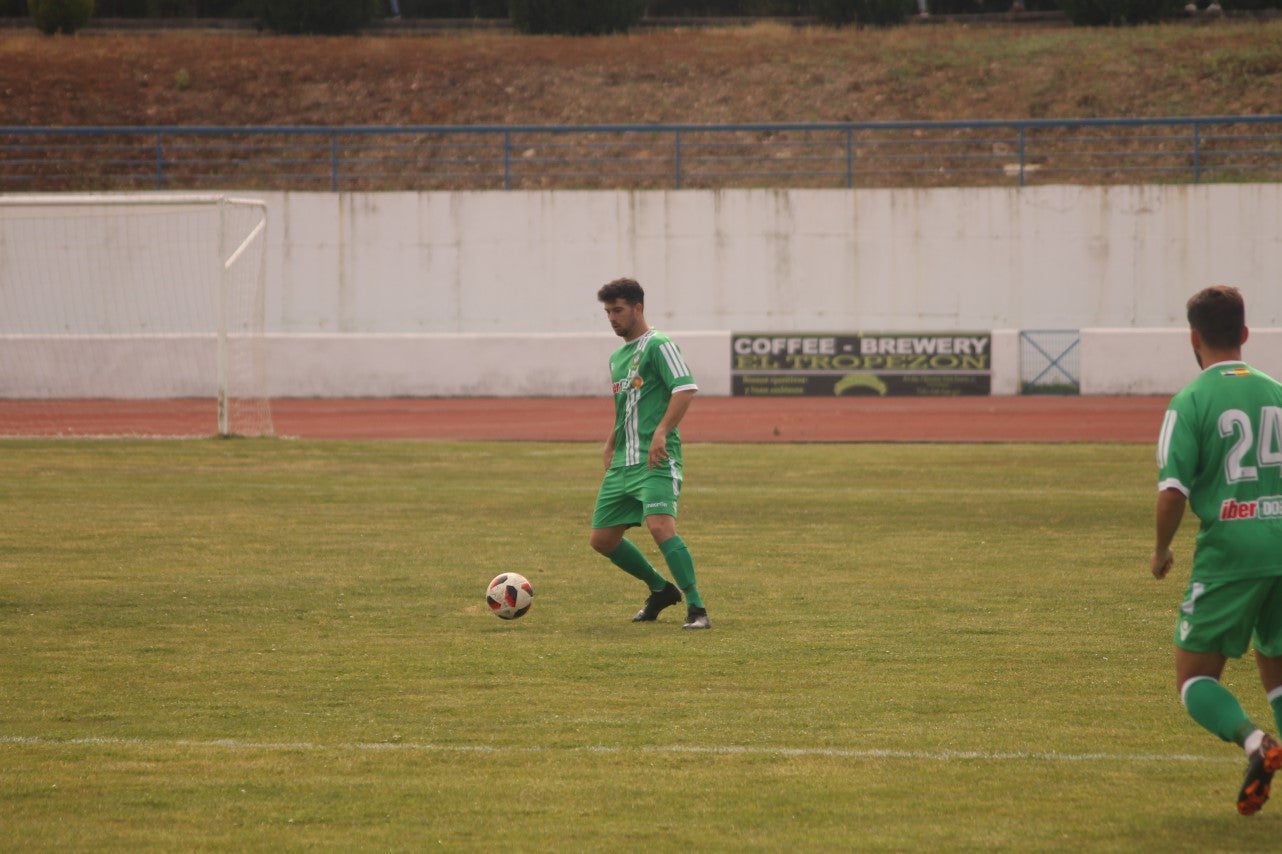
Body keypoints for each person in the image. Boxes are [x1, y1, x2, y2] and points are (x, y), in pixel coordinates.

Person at [1151, 285, 1282, 815]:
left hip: (1232, 552)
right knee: (1276, 666)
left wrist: (1160, 550)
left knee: (1195, 678)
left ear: (1194, 337)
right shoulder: (1277, 392)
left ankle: (1258, 744)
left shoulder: (1190, 401)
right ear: (1246, 334)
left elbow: (1173, 491)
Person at [589, 277, 710, 630]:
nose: (612, 318)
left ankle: (698, 608)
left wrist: (661, 432)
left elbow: (685, 389)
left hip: (656, 459)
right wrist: (611, 442)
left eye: (618, 310)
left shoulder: (660, 345)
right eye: (608, 312)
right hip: (623, 462)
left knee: (660, 527)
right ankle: (660, 589)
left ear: (638, 308)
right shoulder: (617, 357)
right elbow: (625, 408)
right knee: (602, 540)